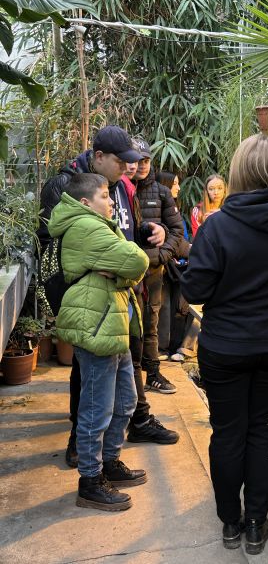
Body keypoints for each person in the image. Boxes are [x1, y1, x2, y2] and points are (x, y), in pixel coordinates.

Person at [181, 134, 268, 555]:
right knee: (262, 433)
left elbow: (195, 288)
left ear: (234, 172)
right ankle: (255, 526)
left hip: (228, 347)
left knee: (228, 434)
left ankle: (231, 524)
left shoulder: (216, 226)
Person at [38, 126, 178, 467]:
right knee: (90, 381)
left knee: (123, 373)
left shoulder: (119, 187)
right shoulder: (67, 185)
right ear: (98, 157)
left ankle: (126, 435)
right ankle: (84, 451)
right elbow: (54, 246)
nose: (127, 167)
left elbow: (126, 237)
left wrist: (149, 232)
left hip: (121, 291)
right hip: (88, 298)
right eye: (120, 161)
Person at [48, 173, 149, 511]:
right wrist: (126, 269)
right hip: (96, 325)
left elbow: (129, 264)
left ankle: (109, 463)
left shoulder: (97, 225)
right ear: (85, 203)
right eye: (106, 196)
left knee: (125, 402)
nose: (112, 202)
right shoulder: (85, 227)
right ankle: (90, 481)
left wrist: (118, 272)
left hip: (110, 322)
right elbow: (138, 259)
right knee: (96, 409)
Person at [131, 142, 184, 394]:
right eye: (137, 160)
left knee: (150, 323)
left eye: (146, 161)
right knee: (128, 325)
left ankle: (153, 373)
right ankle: (129, 379)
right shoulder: (120, 189)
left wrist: (162, 255)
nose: (141, 165)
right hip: (125, 272)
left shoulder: (162, 193)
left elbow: (177, 231)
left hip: (152, 271)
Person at [155, 170, 193, 361]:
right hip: (165, 263)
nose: (178, 187)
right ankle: (160, 348)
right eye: (175, 183)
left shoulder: (175, 208)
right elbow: (172, 237)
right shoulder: (159, 208)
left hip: (180, 263)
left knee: (178, 307)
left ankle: (173, 347)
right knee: (163, 305)